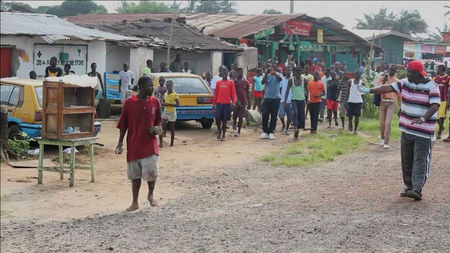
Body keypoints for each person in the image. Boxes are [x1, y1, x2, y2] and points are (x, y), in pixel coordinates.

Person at [360, 60, 440, 201]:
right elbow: (388, 88)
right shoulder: (405, 82)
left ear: (417, 73)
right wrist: (370, 90)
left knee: (420, 161)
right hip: (407, 129)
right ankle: (409, 187)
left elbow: (435, 105)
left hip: (423, 132)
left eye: (409, 71)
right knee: (407, 160)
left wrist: (423, 118)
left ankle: (417, 189)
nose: (406, 74)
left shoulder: (432, 86)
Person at [116, 76, 161, 211]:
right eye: (150, 85)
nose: (152, 88)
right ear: (141, 87)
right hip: (134, 146)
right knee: (135, 176)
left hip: (149, 145)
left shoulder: (155, 102)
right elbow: (123, 124)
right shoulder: (129, 103)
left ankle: (150, 195)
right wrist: (120, 143)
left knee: (151, 173)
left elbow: (158, 120)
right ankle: (135, 202)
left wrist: (157, 128)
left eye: (153, 85)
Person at [377, 66, 401, 148]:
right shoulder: (383, 79)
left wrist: (400, 107)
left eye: (393, 70)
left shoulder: (397, 82)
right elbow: (378, 89)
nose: (391, 71)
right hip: (383, 102)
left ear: (395, 72)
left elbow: (399, 95)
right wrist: (384, 82)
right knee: (382, 123)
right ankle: (382, 138)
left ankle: (386, 141)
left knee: (388, 123)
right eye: (390, 69)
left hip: (391, 103)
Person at [212, 68, 236, 141]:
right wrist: (213, 103)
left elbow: (233, 93)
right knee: (217, 118)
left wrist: (234, 102)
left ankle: (223, 135)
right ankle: (219, 130)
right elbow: (216, 94)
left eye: (225, 72)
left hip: (227, 104)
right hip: (219, 104)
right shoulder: (218, 82)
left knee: (225, 120)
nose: (224, 73)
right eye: (223, 72)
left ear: (227, 73)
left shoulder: (230, 82)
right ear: (221, 73)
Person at [285, 67, 308, 139]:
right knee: (295, 112)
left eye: (299, 73)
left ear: (301, 73)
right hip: (294, 99)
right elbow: (287, 91)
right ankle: (295, 128)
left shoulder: (305, 80)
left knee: (301, 115)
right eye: (296, 73)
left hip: (302, 100)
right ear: (294, 73)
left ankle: (297, 130)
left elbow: (307, 90)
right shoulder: (290, 80)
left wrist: (308, 98)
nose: (298, 74)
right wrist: (285, 101)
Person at [261, 67, 282, 140]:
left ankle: (271, 132)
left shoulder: (278, 74)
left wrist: (275, 73)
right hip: (267, 98)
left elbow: (280, 79)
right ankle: (265, 131)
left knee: (274, 115)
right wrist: (266, 74)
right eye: (270, 69)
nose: (271, 71)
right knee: (264, 114)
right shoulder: (266, 75)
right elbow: (262, 82)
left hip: (276, 98)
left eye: (272, 69)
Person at [232, 68, 250, 137]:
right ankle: (234, 122)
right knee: (235, 114)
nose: (240, 73)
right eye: (239, 72)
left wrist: (248, 102)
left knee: (241, 116)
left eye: (241, 72)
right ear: (236, 73)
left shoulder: (246, 82)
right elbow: (234, 93)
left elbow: (247, 92)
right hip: (236, 101)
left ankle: (238, 131)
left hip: (243, 102)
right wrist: (237, 101)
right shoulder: (234, 82)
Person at [161, 81, 179, 147]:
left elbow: (178, 104)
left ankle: (172, 143)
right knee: (161, 126)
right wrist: (163, 103)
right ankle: (160, 143)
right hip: (165, 112)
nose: (168, 87)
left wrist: (169, 104)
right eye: (167, 86)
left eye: (169, 86)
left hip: (172, 112)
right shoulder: (165, 94)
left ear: (172, 86)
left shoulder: (175, 94)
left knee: (172, 128)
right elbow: (163, 102)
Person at [434, 64, 449, 139]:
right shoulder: (436, 78)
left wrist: (448, 101)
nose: (437, 70)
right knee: (434, 116)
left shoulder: (448, 78)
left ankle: (439, 133)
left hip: (443, 100)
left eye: (438, 69)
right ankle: (441, 127)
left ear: (442, 70)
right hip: (435, 99)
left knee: (441, 117)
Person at [279, 67, 292, 135]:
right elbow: (280, 89)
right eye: (287, 70)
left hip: (290, 100)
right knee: (281, 115)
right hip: (283, 100)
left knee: (289, 116)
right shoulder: (282, 80)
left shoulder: (293, 80)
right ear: (285, 71)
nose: (288, 71)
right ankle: (283, 125)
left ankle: (286, 129)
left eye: (290, 70)